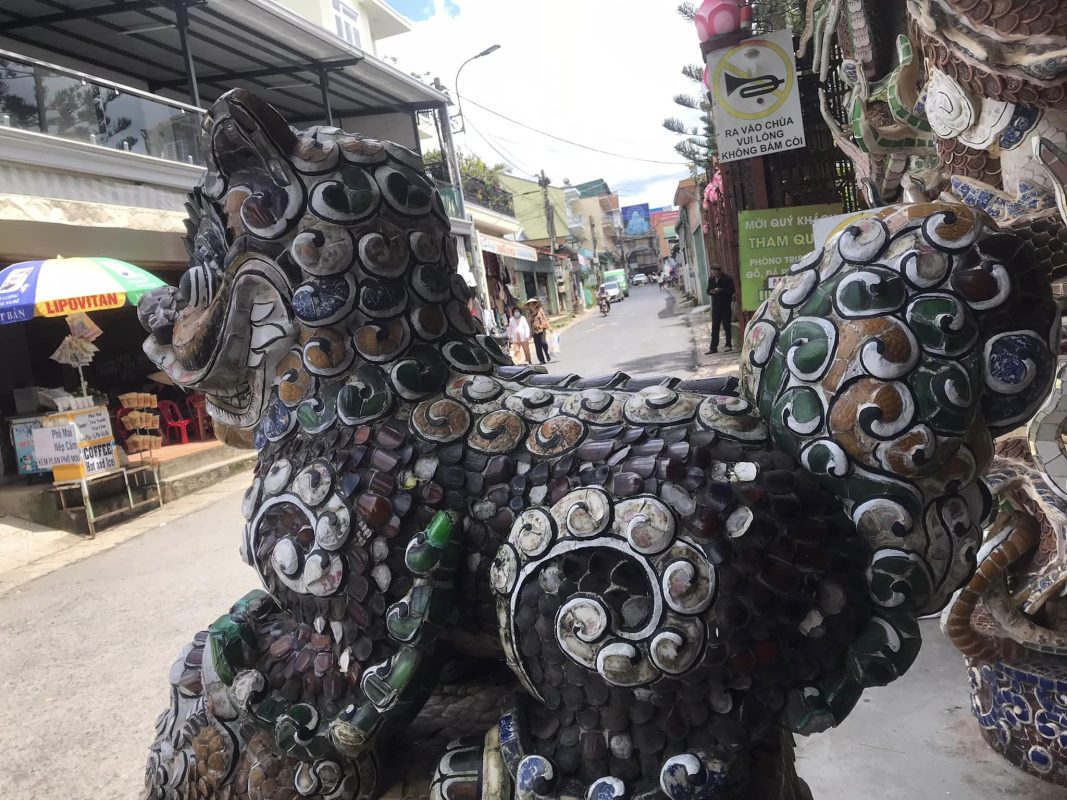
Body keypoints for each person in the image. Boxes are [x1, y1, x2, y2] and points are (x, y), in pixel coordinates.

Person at [706, 265, 735, 354]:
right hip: (715, 306)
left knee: (727, 326)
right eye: (712, 272)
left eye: (715, 272)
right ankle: (713, 347)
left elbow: (731, 290)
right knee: (715, 327)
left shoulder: (727, 278)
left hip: (725, 305)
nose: (713, 273)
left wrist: (721, 290)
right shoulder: (711, 279)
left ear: (719, 271)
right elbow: (708, 290)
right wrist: (712, 291)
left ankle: (728, 345)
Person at [525, 298, 552, 364]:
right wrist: (530, 333)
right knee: (537, 346)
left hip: (542, 328)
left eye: (533, 304)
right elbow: (528, 324)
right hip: (534, 331)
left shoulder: (540, 310)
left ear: (535, 304)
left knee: (543, 343)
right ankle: (541, 360)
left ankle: (547, 353)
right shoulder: (528, 314)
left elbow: (544, 318)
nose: (531, 305)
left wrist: (549, 326)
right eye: (530, 304)